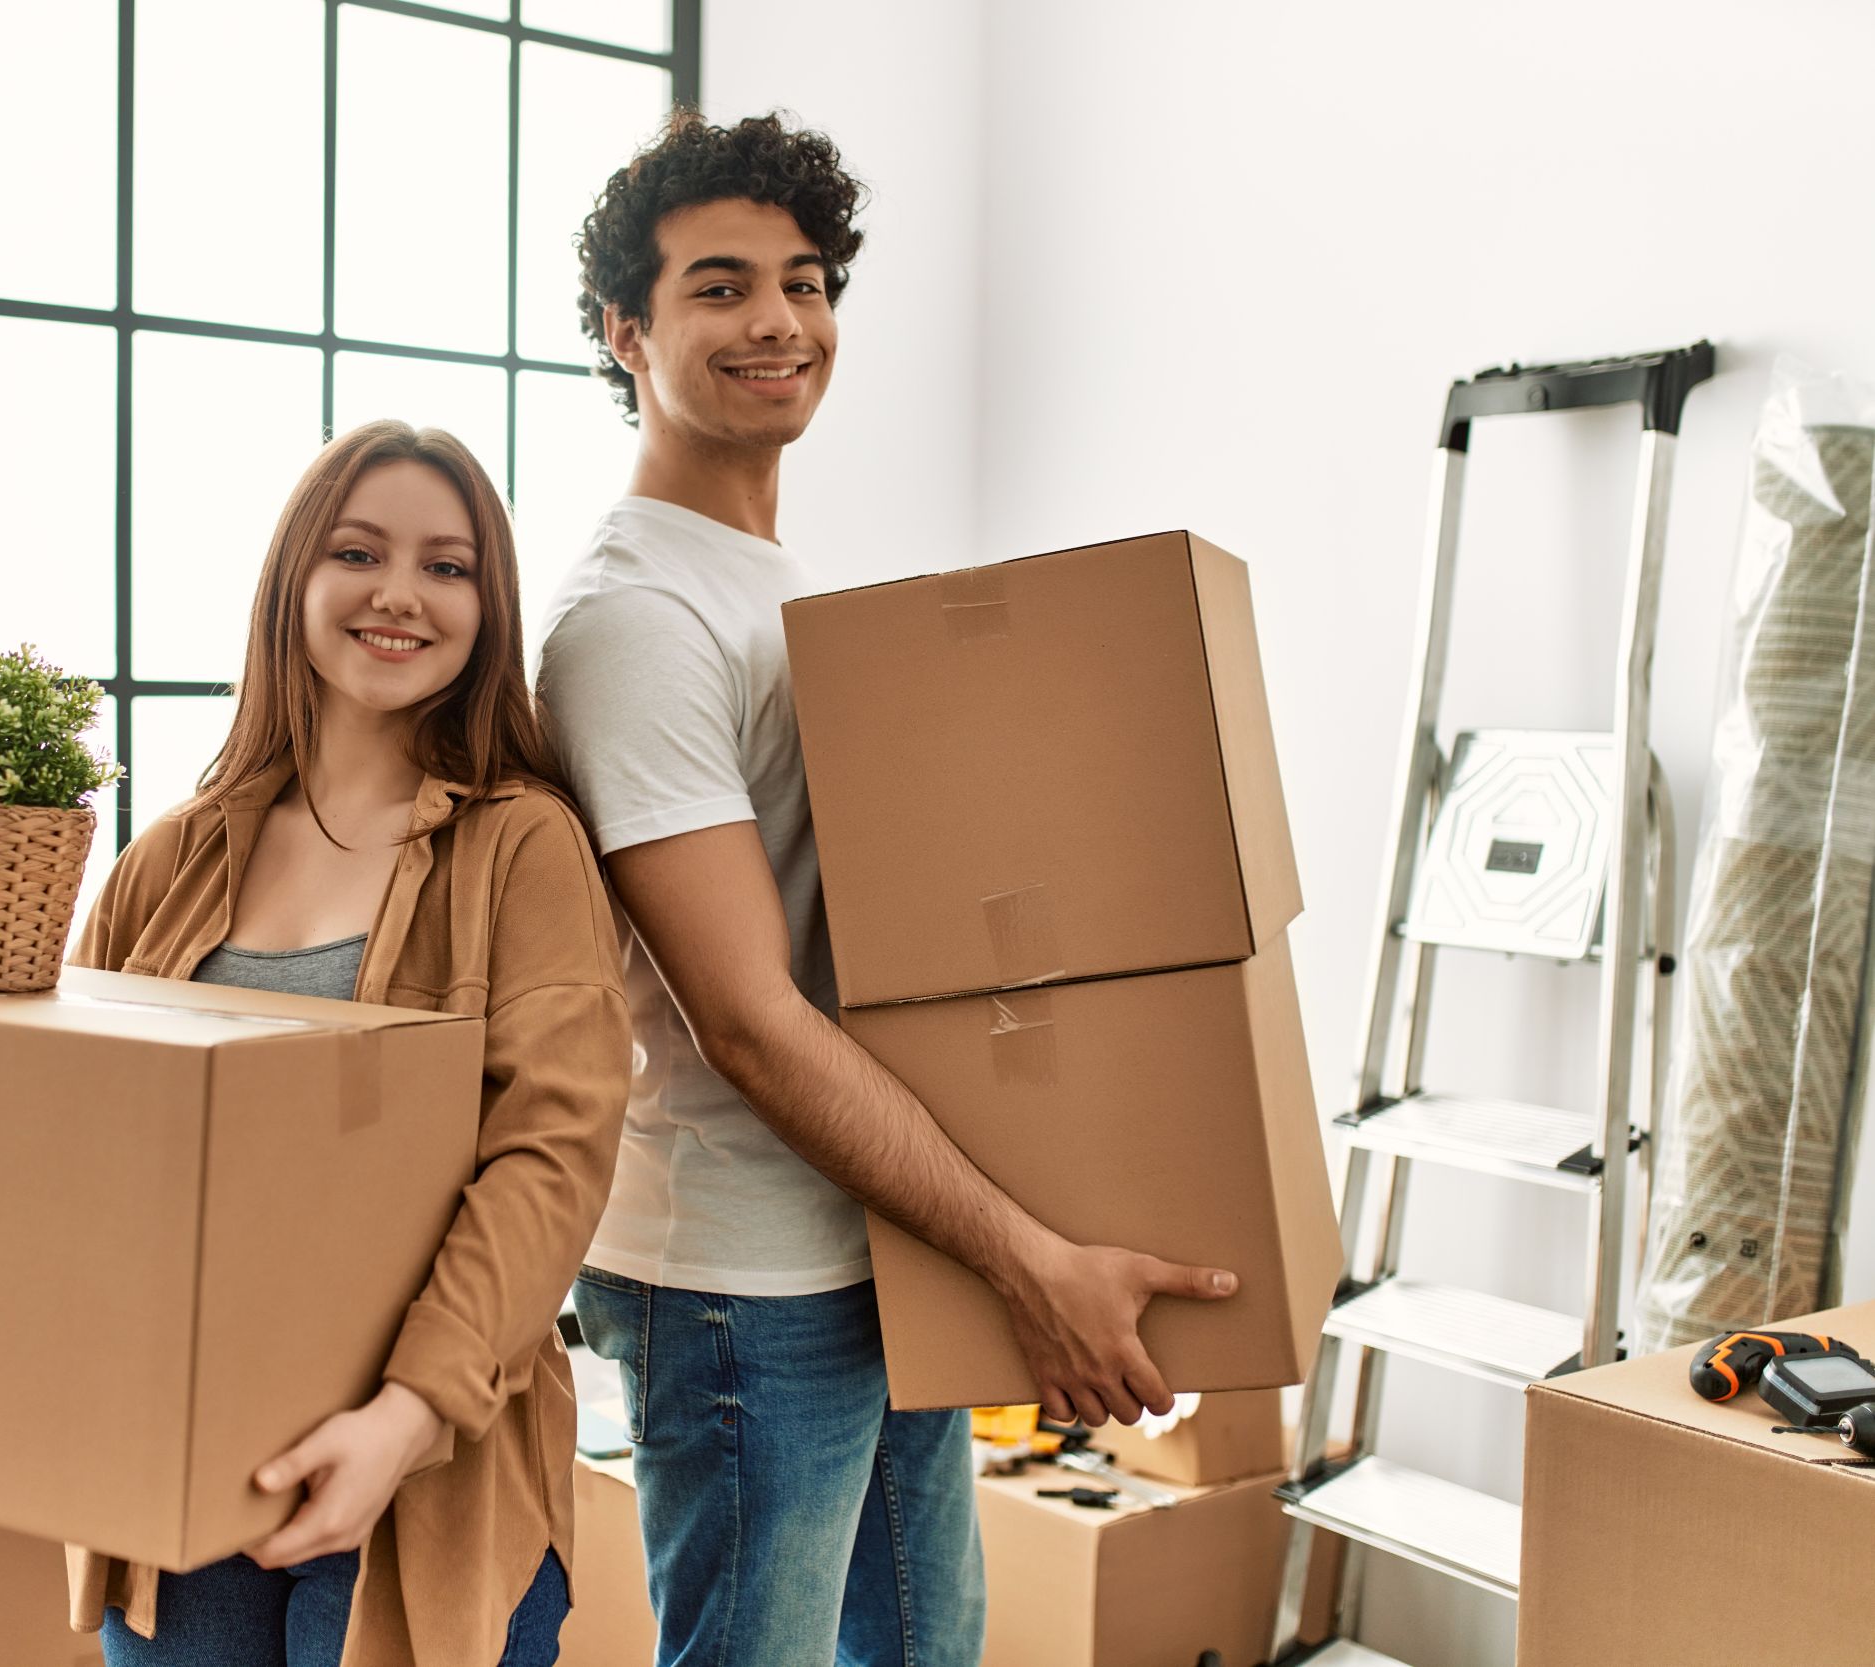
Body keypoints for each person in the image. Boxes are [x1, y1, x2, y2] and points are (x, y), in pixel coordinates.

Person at [536, 112, 1241, 1666]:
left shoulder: (790, 588)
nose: (778, 322)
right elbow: (749, 1016)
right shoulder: (636, 615)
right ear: (625, 331)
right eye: (718, 288)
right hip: (742, 1278)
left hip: (876, 1234)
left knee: (927, 1648)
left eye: (804, 281)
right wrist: (1025, 1255)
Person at [65, 420, 631, 1667]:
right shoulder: (168, 854)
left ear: (488, 606)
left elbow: (554, 1157)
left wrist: (406, 1414)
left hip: (431, 1461)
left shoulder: (521, 847)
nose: (398, 594)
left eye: (448, 565)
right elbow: (83, 1138)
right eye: (359, 551)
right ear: (294, 582)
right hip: (184, 1456)